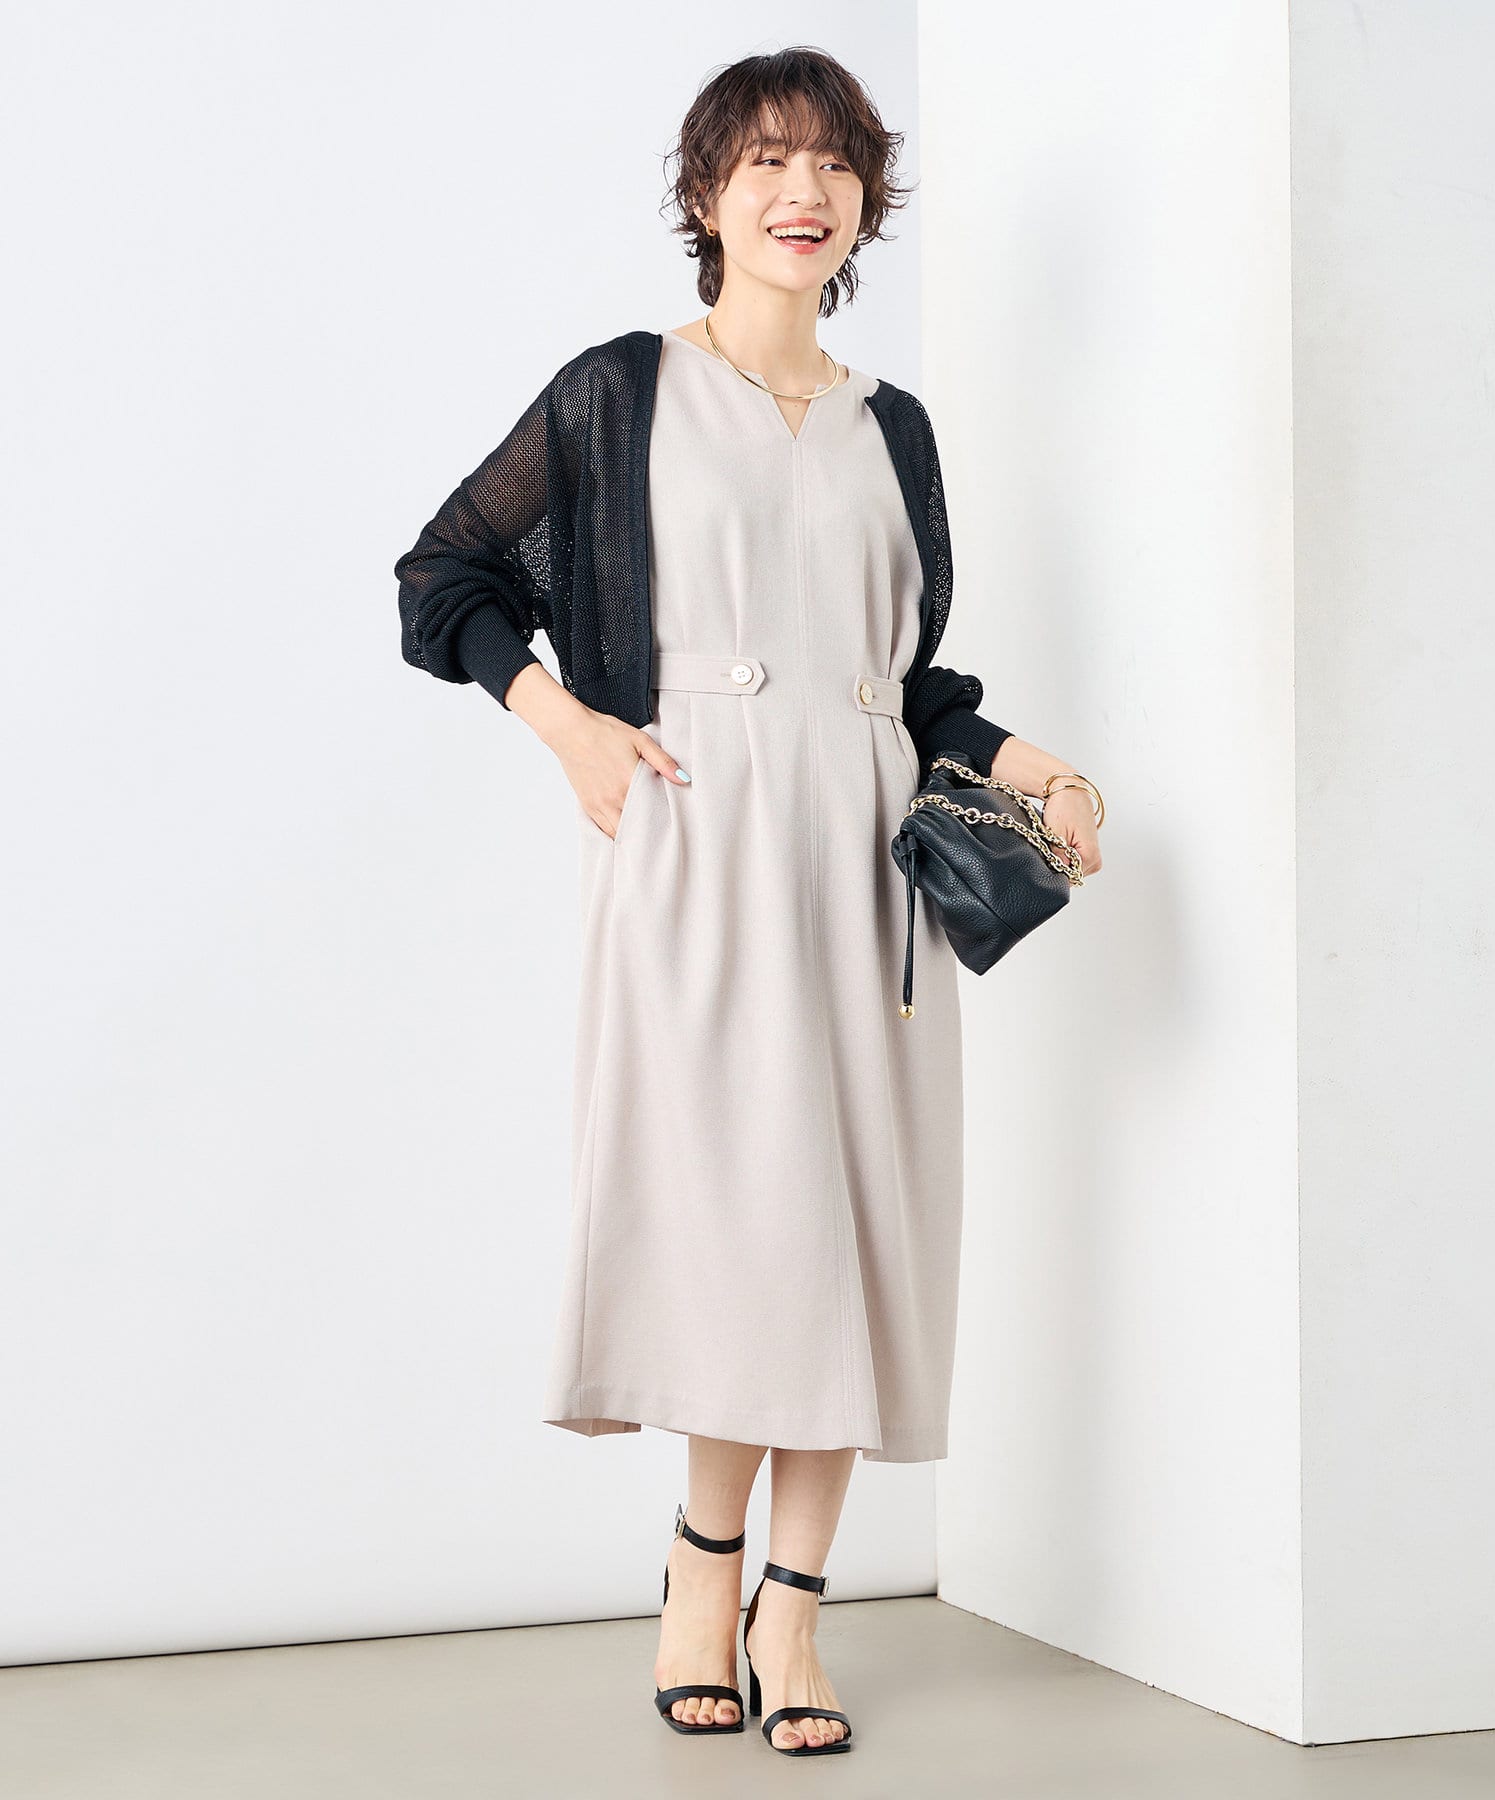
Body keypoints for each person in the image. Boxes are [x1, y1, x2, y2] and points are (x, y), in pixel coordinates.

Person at [394, 46, 1104, 1760]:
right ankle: (703, 1573)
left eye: (836, 163)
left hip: (866, 872)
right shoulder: (620, 392)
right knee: (742, 1227)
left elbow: (905, 685)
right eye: (769, 160)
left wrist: (1045, 770)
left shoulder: (893, 428)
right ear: (706, 195)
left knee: (855, 1221)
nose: (806, 190)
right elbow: (445, 575)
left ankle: (790, 1607)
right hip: (697, 844)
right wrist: (564, 724)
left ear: (866, 203)